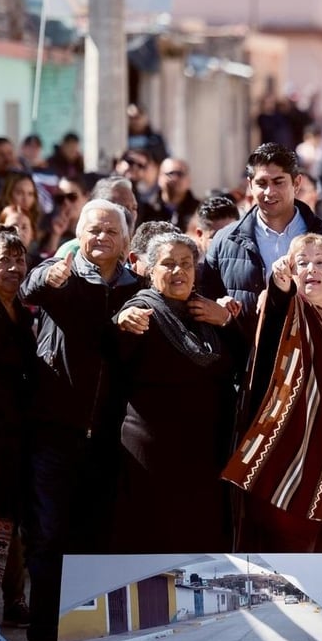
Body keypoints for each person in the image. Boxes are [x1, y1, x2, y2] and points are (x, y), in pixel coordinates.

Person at [19, 199, 142, 641]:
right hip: (54, 433)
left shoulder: (138, 287)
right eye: (93, 229)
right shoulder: (61, 275)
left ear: (126, 240)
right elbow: (32, 283)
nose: (101, 238)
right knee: (49, 540)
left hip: (109, 439)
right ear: (78, 233)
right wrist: (44, 277)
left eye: (111, 231)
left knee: (94, 544)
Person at [222, 233, 322, 552]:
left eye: (320, 263)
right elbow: (275, 309)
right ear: (289, 271)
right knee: (289, 567)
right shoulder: (289, 309)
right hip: (288, 471)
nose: (311, 269)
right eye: (301, 263)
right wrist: (278, 286)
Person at [110, 233, 241, 553]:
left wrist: (226, 320)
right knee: (157, 534)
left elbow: (242, 359)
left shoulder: (206, 310)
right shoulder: (141, 310)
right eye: (168, 264)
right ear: (150, 271)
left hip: (207, 448)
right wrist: (120, 322)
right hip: (155, 449)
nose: (178, 271)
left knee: (204, 536)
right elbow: (114, 350)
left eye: (185, 264)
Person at [198, 142, 322, 342]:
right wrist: (222, 308)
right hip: (247, 363)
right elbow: (207, 304)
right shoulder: (225, 240)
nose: (270, 192)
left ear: (296, 183)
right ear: (250, 185)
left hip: (313, 359)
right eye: (262, 183)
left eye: (279, 182)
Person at [0, 225, 36, 641]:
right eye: (4, 259)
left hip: (11, 444)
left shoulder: (23, 310)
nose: (13, 268)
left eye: (20, 260)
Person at [157, 157, 201, 231]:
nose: (175, 178)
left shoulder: (200, 210)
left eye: (179, 174)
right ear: (159, 178)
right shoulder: (147, 210)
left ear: (189, 179)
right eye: (171, 173)